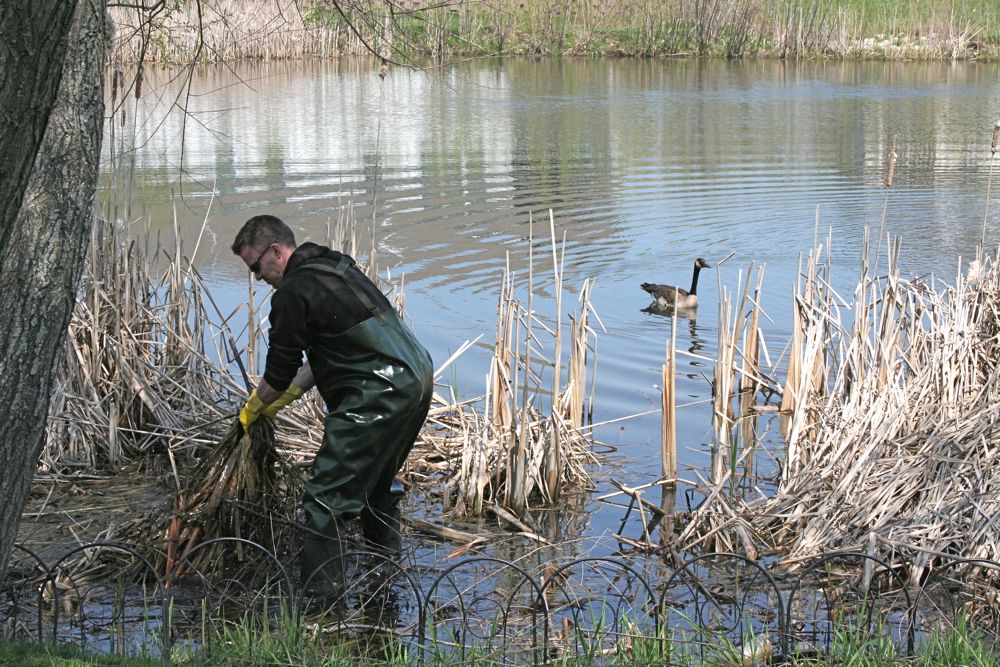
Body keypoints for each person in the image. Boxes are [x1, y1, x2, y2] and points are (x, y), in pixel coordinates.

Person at [231, 214, 433, 590]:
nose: (258, 278)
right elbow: (325, 357)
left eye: (256, 268)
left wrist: (253, 408)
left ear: (275, 251)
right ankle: (384, 576)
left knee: (325, 500)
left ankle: (322, 607)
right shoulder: (334, 268)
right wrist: (283, 399)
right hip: (415, 377)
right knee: (376, 483)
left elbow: (278, 372)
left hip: (378, 392)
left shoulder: (292, 292)